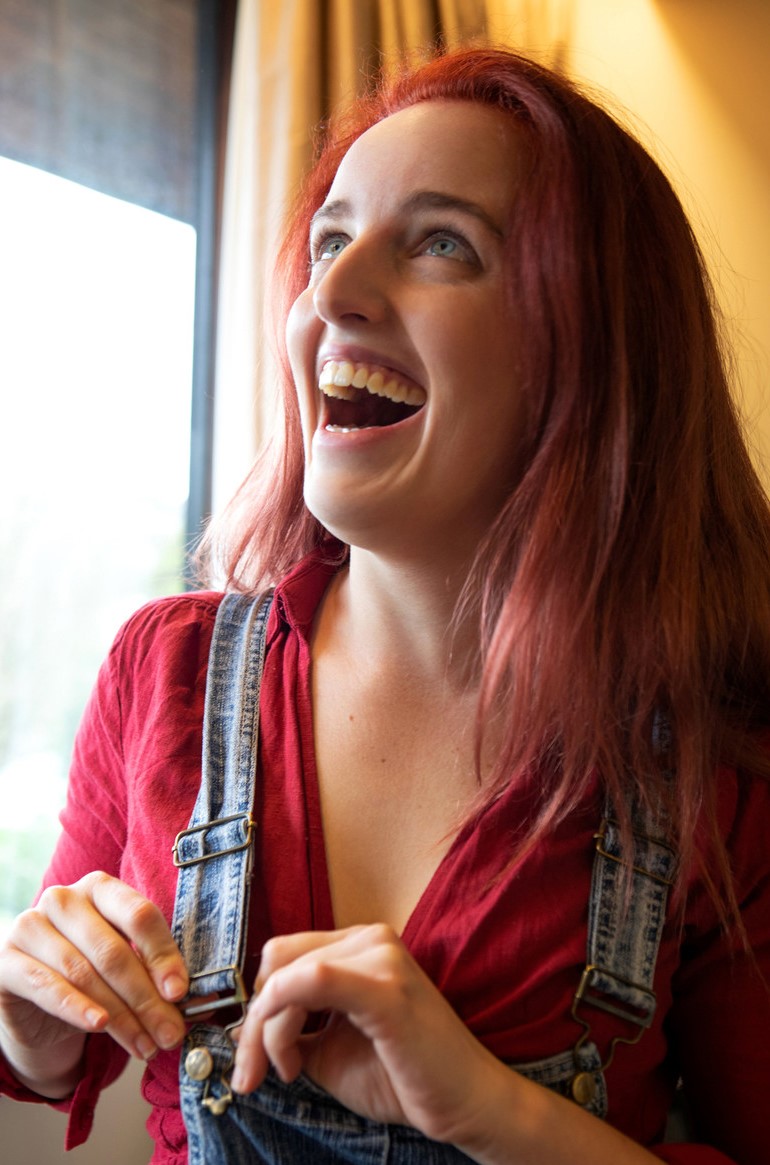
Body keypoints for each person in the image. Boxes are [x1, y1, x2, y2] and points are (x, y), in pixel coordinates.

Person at [1, 44, 769, 1165]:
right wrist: (30, 1023)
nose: (331, 295)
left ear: (594, 347)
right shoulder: (159, 671)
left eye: (441, 243)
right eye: (328, 243)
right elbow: (52, 1050)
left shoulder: (717, 761)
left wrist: (494, 1109)